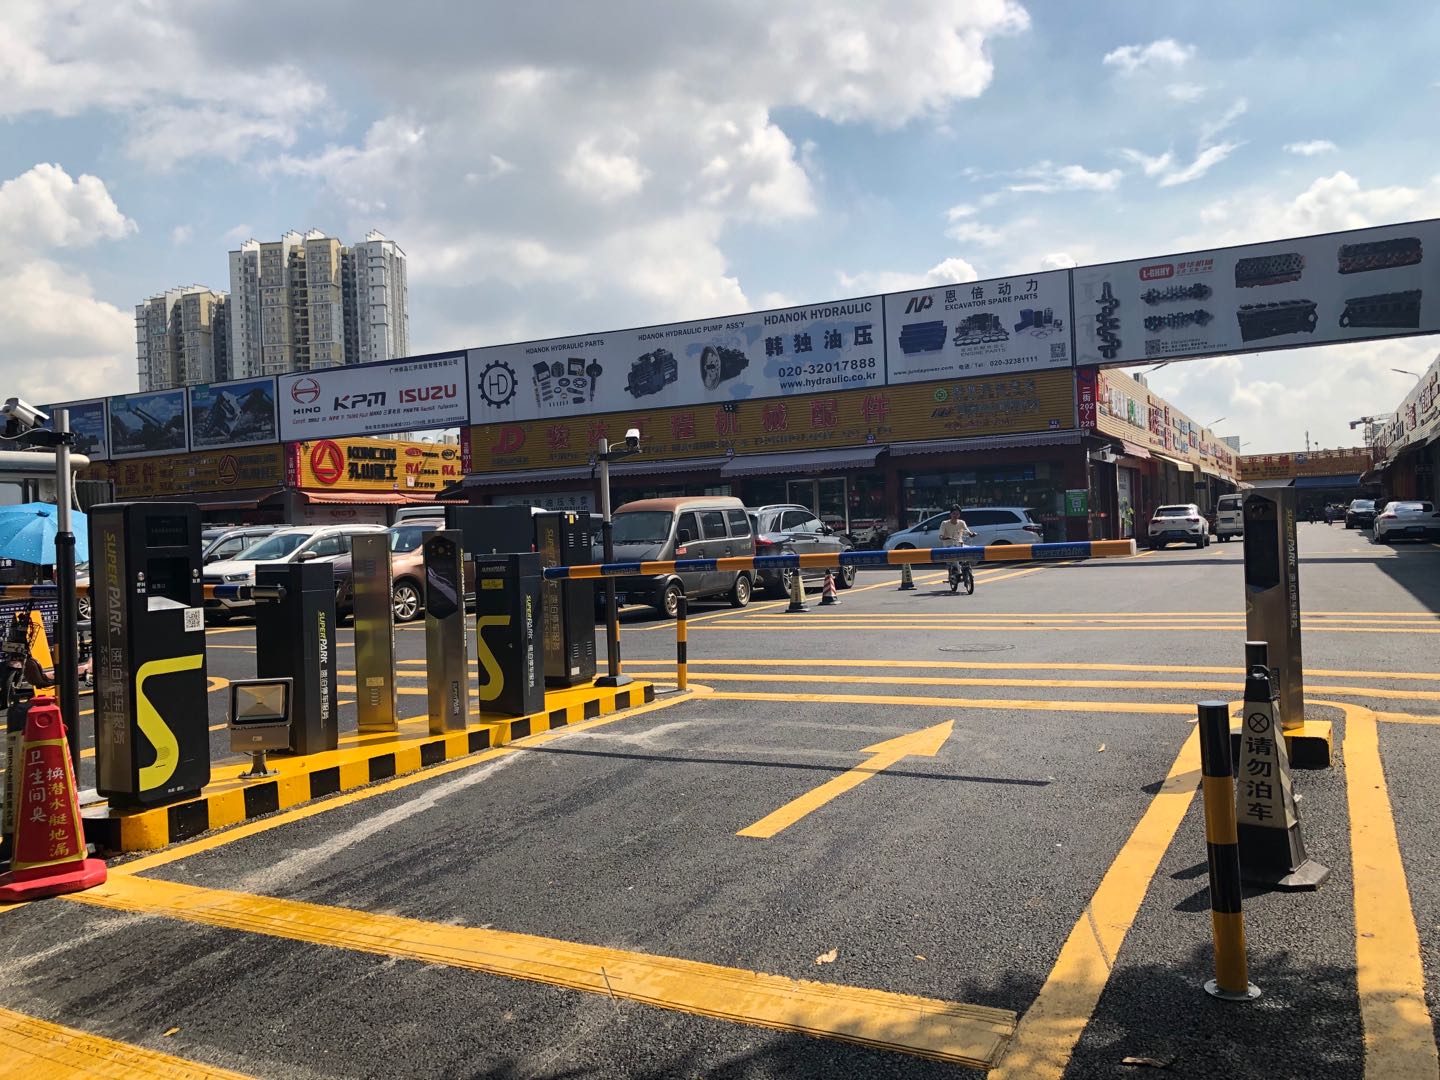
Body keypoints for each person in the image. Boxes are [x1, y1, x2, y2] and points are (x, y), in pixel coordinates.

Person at [938, 505, 977, 590]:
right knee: (955, 560)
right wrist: (944, 537)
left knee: (971, 550)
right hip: (949, 546)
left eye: (957, 514)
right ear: (950, 514)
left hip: (959, 545)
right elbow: (941, 535)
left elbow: (966, 531)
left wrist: (971, 534)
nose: (955, 516)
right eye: (954, 514)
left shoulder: (961, 522)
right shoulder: (945, 523)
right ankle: (955, 573)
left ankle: (968, 571)